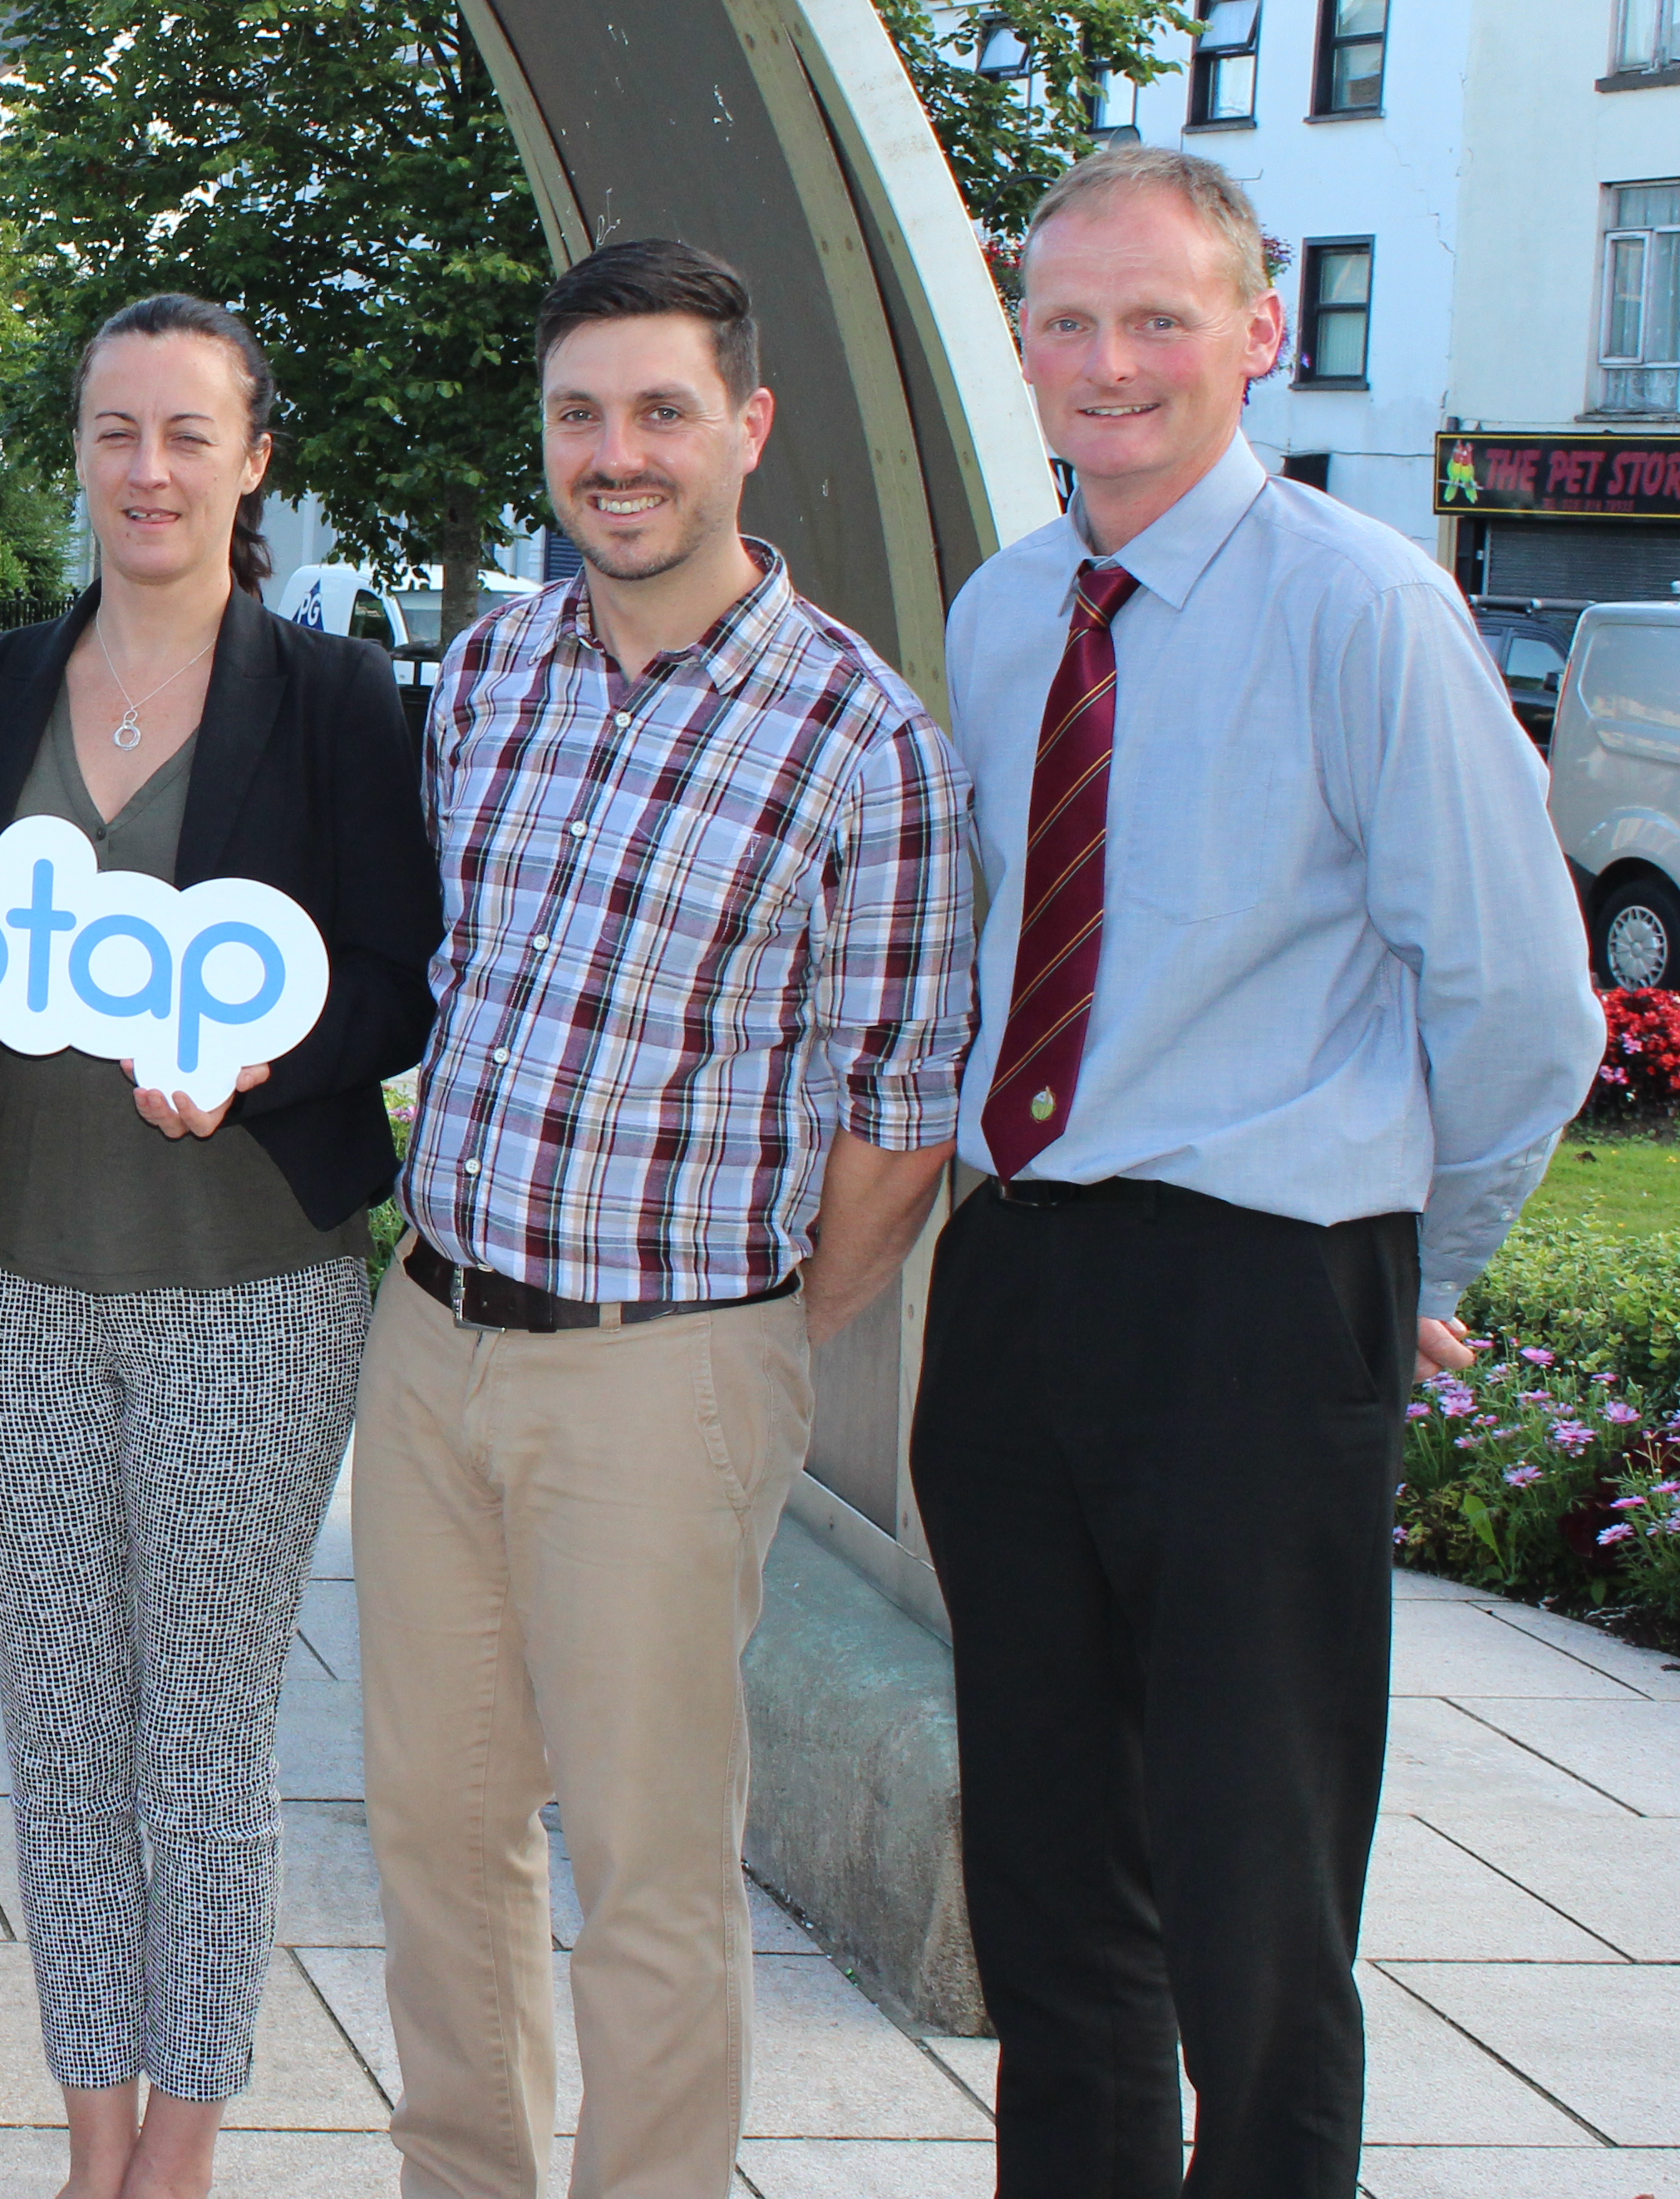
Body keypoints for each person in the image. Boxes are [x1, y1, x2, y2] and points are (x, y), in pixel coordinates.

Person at [912, 145, 1594, 2199]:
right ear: (1021, 344)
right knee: (1049, 1878)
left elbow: (1524, 1004)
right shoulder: (1010, 609)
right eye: (1068, 321)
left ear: (1256, 336)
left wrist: (1405, 1269)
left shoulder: (1364, 605)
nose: (1109, 361)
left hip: (1264, 1297)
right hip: (1022, 1286)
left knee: (1256, 1897)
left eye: (1158, 318)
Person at [364, 238, 976, 2199]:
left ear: (748, 429)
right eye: (579, 414)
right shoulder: (485, 675)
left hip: (668, 1366)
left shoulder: (861, 744)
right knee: (438, 1837)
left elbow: (896, 1124)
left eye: (658, 412)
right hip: (433, 1339)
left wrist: (745, 1349)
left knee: (645, 1866)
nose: (613, 455)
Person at [0, 297, 436, 2199]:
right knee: (59, 1724)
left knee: (200, 1733)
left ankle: (183, 2148)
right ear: (80, 451)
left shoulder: (343, 701)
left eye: (189, 434)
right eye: (116, 431)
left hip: (250, 1294)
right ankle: (88, 2131)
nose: (148, 470)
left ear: (254, 459)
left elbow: (395, 982)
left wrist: (271, 1057)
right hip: (8, 1281)